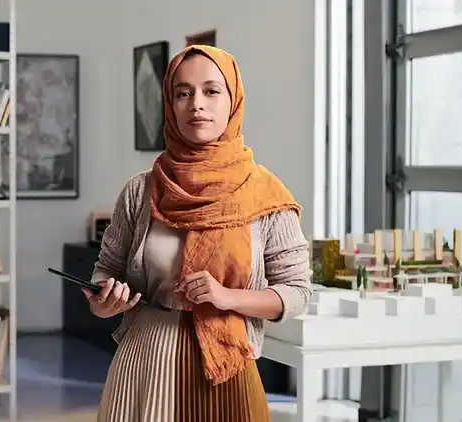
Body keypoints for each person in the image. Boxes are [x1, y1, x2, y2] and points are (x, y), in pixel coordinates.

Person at [85, 45, 313, 422]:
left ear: (233, 100)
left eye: (211, 91)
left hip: (229, 366)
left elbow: (297, 293)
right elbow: (106, 270)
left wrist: (226, 297)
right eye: (183, 92)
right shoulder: (141, 192)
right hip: (145, 362)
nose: (196, 104)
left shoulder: (266, 194)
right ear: (170, 104)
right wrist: (103, 300)